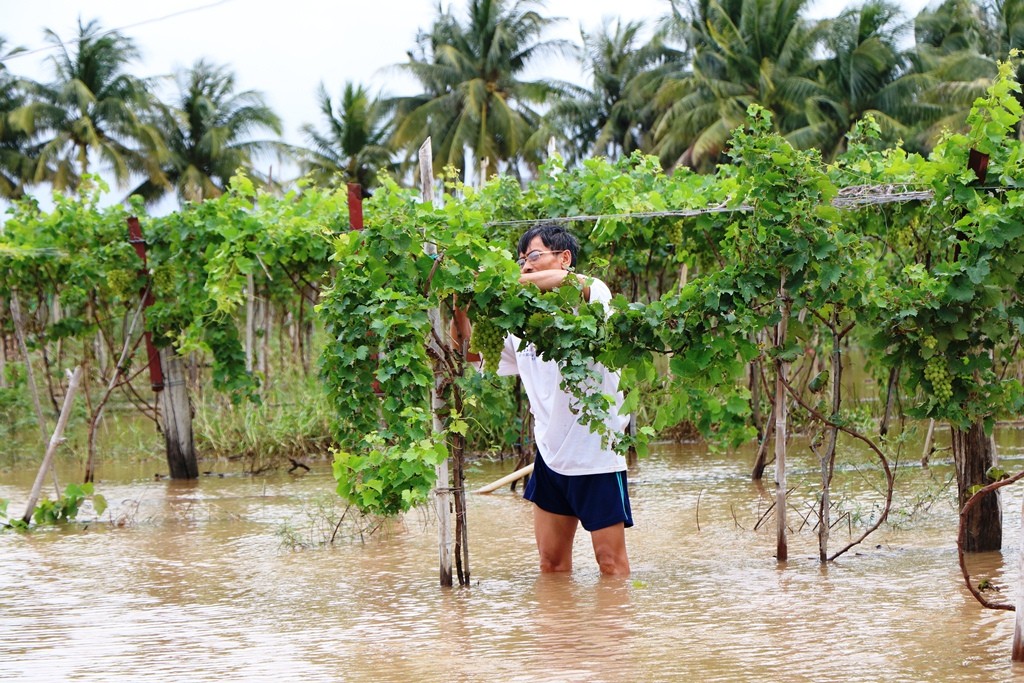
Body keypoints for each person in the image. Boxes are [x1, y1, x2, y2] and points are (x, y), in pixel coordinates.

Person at [452, 224, 632, 576]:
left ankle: (613, 630)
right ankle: (556, 633)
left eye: (534, 257)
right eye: (521, 262)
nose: (526, 267)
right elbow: (470, 350)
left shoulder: (593, 295)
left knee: (611, 565)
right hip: (550, 458)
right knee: (551, 566)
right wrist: (461, 302)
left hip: (596, 458)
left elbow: (571, 285)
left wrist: (496, 284)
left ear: (564, 258)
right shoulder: (520, 326)